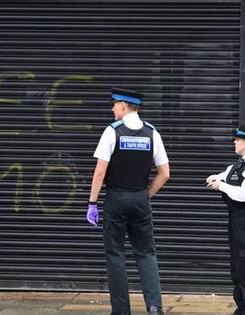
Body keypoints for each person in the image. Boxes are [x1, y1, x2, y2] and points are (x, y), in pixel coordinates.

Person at [87, 88, 170, 315]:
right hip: (140, 199)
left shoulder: (112, 132)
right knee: (146, 253)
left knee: (115, 254)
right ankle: (154, 306)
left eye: (114, 104)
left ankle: (121, 310)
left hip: (116, 198)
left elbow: (99, 172)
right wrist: (145, 194)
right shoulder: (152, 133)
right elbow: (164, 173)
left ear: (123, 106)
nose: (112, 108)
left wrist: (92, 204)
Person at [206, 123, 245, 315]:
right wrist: (215, 177)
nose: (235, 141)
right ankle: (243, 309)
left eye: (238, 139)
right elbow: (224, 175)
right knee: (238, 269)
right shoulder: (239, 164)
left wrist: (221, 186)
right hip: (237, 219)